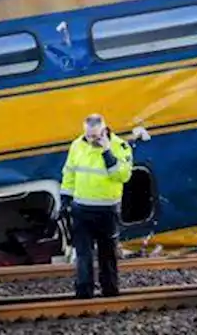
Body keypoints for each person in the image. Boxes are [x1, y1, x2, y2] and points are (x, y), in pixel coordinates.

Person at [60, 113, 132, 298]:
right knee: (83, 253)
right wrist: (65, 200)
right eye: (89, 136)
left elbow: (123, 176)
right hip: (81, 208)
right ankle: (84, 292)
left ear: (105, 131)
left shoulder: (120, 146)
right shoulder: (77, 145)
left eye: (96, 136)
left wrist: (107, 151)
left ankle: (110, 289)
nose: (92, 140)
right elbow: (69, 173)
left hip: (107, 210)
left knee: (107, 253)